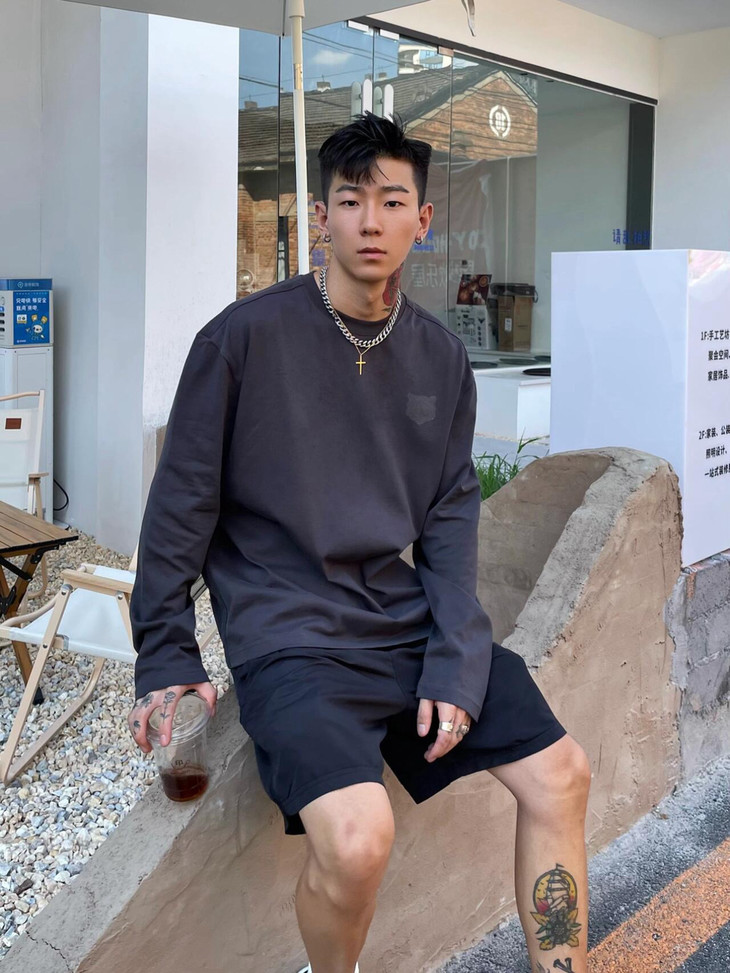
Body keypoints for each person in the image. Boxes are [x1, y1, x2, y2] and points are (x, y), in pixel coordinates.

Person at [128, 113, 591, 973]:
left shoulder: (441, 358)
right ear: (321, 215)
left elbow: (449, 522)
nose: (370, 221)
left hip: (400, 623)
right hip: (288, 636)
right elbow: (181, 504)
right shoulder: (240, 339)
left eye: (392, 201)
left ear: (423, 219)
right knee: (358, 836)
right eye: (350, 201)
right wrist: (164, 649)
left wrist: (457, 660)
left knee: (563, 772)